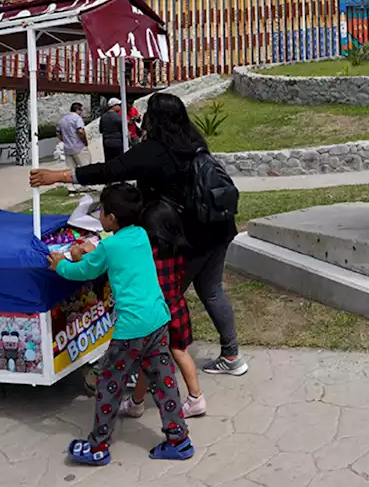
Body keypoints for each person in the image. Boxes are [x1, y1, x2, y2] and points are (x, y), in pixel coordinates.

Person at [31, 93, 246, 376]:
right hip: (218, 227)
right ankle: (231, 356)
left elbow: (109, 170)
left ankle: (138, 368)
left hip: (187, 236)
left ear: (153, 119)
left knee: (159, 301)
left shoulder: (154, 149)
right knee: (212, 290)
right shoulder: (194, 141)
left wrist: (59, 176)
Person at [48, 183, 193, 465]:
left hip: (131, 329)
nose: (99, 215)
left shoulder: (111, 246)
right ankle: (179, 439)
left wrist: (60, 266)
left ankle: (98, 446)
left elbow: (84, 271)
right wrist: (91, 252)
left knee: (109, 383)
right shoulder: (139, 234)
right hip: (158, 320)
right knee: (163, 381)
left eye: (101, 210)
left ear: (112, 218)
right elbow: (112, 258)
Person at [120, 200, 206, 419]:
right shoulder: (179, 248)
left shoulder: (149, 254)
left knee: (147, 359)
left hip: (155, 313)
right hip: (176, 307)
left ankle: (136, 403)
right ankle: (195, 398)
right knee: (180, 352)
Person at [58, 103, 91, 190]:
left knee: (71, 169)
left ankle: (71, 188)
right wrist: (85, 141)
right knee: (85, 167)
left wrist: (63, 140)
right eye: (81, 110)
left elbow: (58, 132)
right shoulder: (77, 118)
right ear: (78, 110)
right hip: (78, 146)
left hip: (67, 147)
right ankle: (85, 186)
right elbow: (80, 131)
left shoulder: (63, 119)